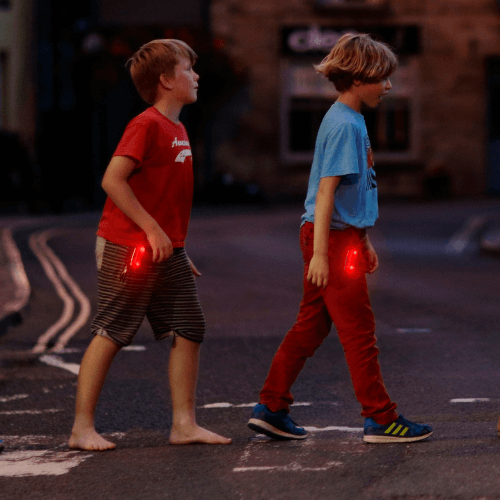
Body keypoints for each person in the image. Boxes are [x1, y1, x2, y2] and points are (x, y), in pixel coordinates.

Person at [248, 34, 432, 444]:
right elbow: (327, 191)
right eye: (382, 78)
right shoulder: (345, 124)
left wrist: (361, 239)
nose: (388, 87)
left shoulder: (349, 119)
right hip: (329, 239)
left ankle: (271, 407)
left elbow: (351, 191)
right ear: (359, 77)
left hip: (337, 237)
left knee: (311, 327)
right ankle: (381, 419)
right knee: (359, 331)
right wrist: (320, 254)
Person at [69, 39, 231, 451]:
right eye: (188, 69)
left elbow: (164, 195)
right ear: (165, 80)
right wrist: (154, 231)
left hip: (165, 249)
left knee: (190, 326)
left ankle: (184, 424)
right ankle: (81, 429)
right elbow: (112, 180)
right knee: (113, 330)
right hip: (129, 246)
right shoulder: (146, 124)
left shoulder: (176, 127)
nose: (196, 75)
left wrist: (176, 244)